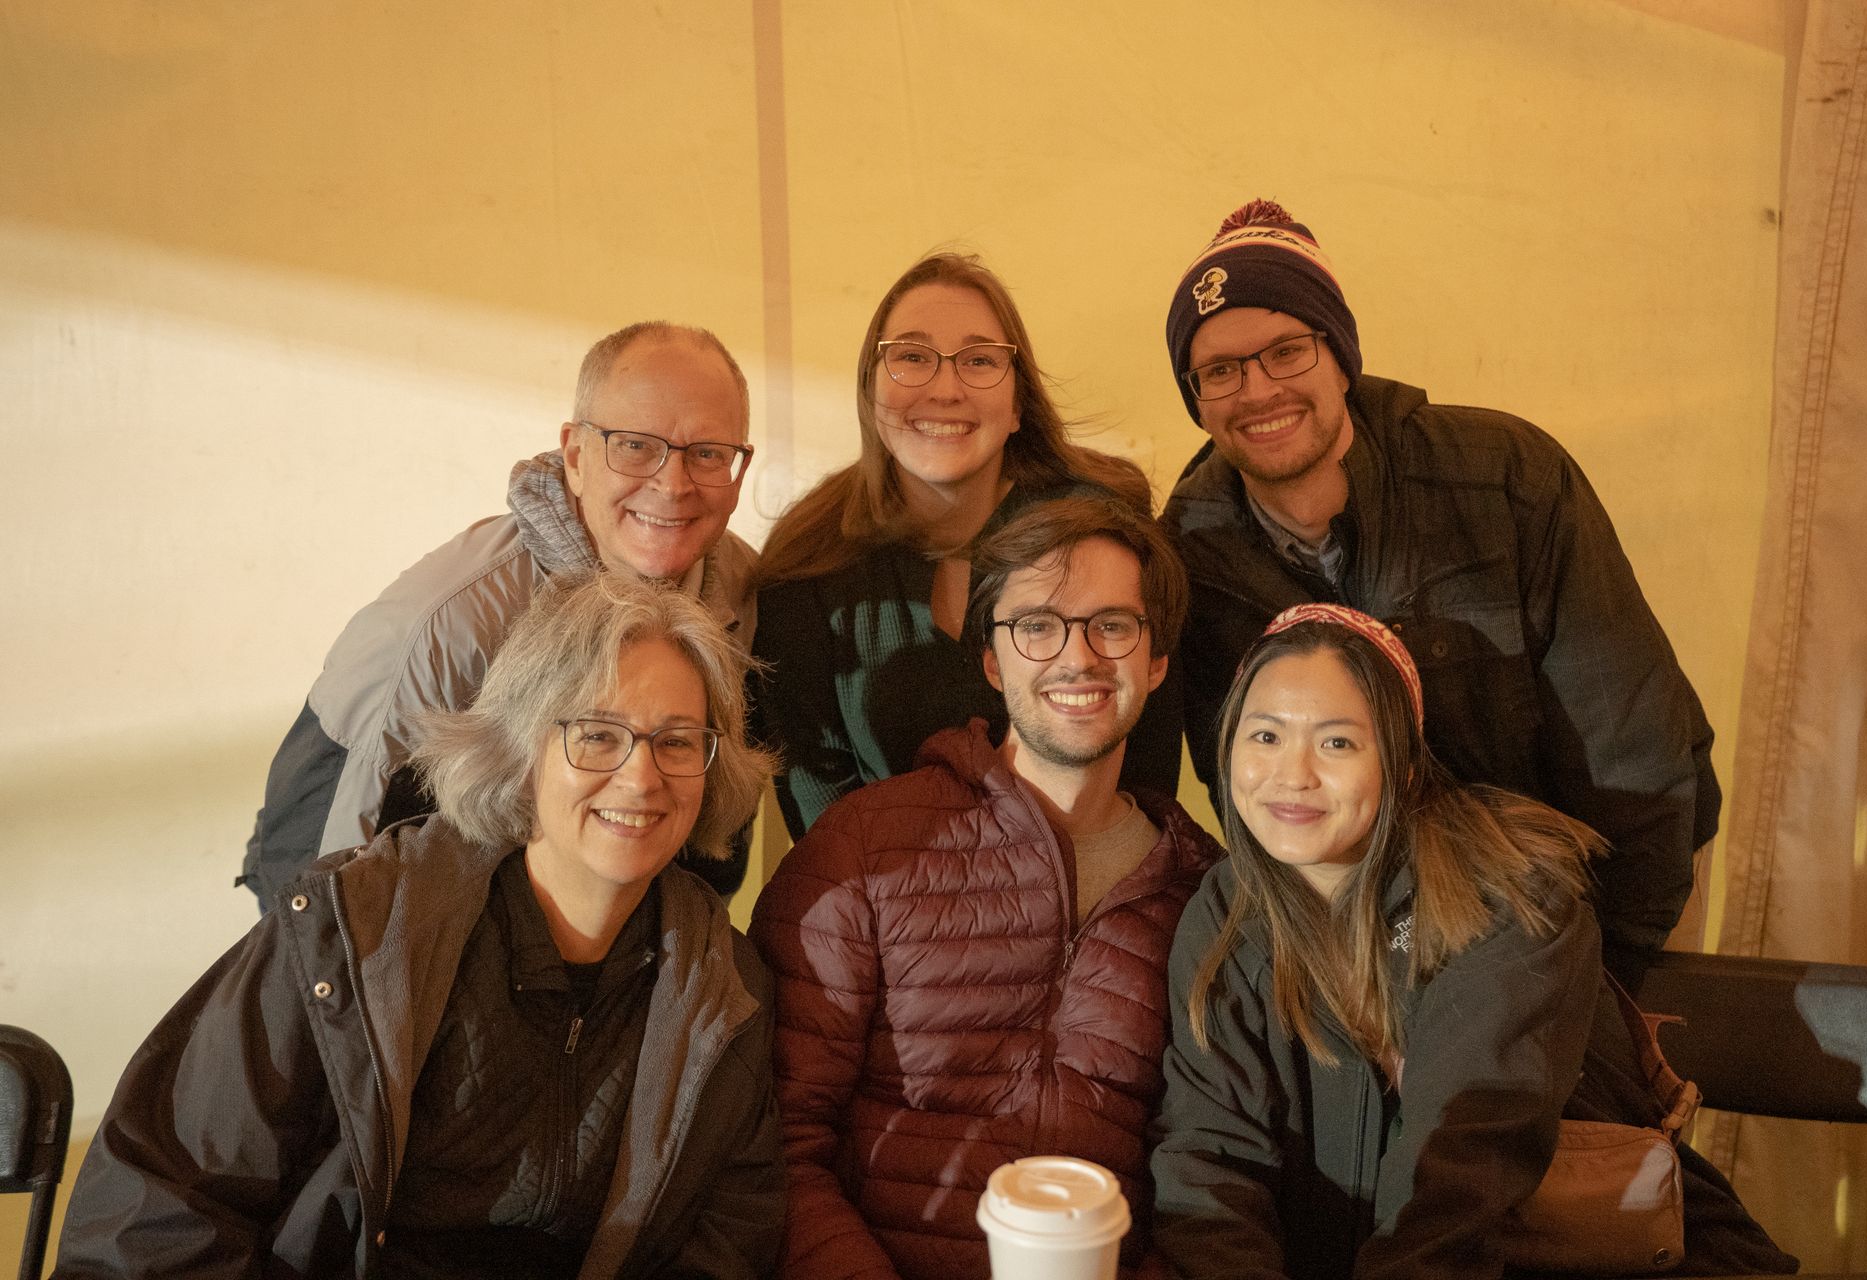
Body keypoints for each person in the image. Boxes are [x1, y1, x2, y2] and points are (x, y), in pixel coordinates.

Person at [57, 570, 782, 1279]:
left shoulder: (725, 989)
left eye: (678, 741)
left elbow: (729, 1240)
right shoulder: (354, 931)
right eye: (596, 735)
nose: (641, 777)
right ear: (523, 750)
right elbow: (160, 1213)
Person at [1160, 199, 1717, 988]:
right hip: (1391, 921)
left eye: (1286, 351)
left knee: (1615, 1102)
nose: (1257, 390)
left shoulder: (1504, 475)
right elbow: (1244, 782)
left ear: (1340, 356)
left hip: (1613, 872)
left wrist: (1612, 964)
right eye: (1220, 370)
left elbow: (1629, 743)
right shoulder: (1192, 547)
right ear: (1197, 396)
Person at [1150, 604, 1796, 1280]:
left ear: (1401, 767)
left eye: (1336, 742)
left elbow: (1456, 1177)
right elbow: (1208, 1159)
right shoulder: (1226, 913)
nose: (1292, 774)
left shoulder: (1507, 900)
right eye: (1265, 736)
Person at [750, 496, 1223, 1280]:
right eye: (1037, 626)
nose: (1077, 658)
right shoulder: (865, 846)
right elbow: (777, 1136)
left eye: (1113, 626)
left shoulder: (1207, 898)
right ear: (992, 660)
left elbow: (1217, 1175)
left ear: (1157, 660)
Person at [240, 321, 759, 908]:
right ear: (576, 454)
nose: (672, 485)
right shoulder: (442, 628)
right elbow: (318, 894)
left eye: (709, 454)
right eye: (635, 446)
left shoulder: (742, 591)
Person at [753, 252, 1182, 839]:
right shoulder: (808, 568)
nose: (945, 388)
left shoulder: (1105, 530)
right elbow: (824, 820)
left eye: (979, 361)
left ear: (1018, 405)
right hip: (893, 908)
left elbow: (1146, 778)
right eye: (911, 357)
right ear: (869, 391)